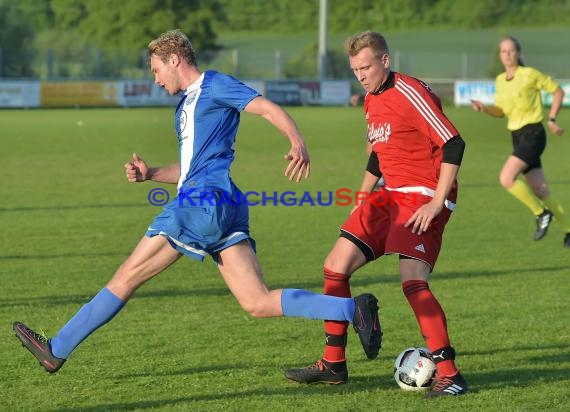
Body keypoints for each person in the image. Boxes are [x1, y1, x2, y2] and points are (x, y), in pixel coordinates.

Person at [12, 29, 381, 375]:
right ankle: (353, 309)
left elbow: (266, 108)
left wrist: (296, 141)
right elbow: (190, 168)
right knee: (257, 301)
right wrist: (151, 173)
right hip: (222, 202)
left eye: (157, 70)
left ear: (174, 59)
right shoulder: (187, 105)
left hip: (201, 204)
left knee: (125, 277)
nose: (156, 79)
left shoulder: (214, 84)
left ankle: (56, 349)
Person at [284, 31, 469, 397]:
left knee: (412, 281)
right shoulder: (371, 100)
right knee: (335, 266)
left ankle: (450, 374)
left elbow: (454, 142)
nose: (361, 75)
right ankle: (333, 363)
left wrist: (437, 201)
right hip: (389, 195)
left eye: (366, 66)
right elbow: (378, 155)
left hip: (423, 195)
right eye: (355, 69)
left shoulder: (409, 91)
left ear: (385, 60)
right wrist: (363, 194)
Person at [471, 36, 570, 247]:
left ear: (518, 53)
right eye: (503, 51)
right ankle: (569, 230)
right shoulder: (499, 80)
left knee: (506, 178)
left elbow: (558, 91)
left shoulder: (529, 74)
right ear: (500, 55)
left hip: (534, 134)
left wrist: (552, 119)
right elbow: (501, 112)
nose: (507, 54)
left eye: (511, 50)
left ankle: (541, 213)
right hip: (517, 137)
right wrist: (485, 108)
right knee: (540, 190)